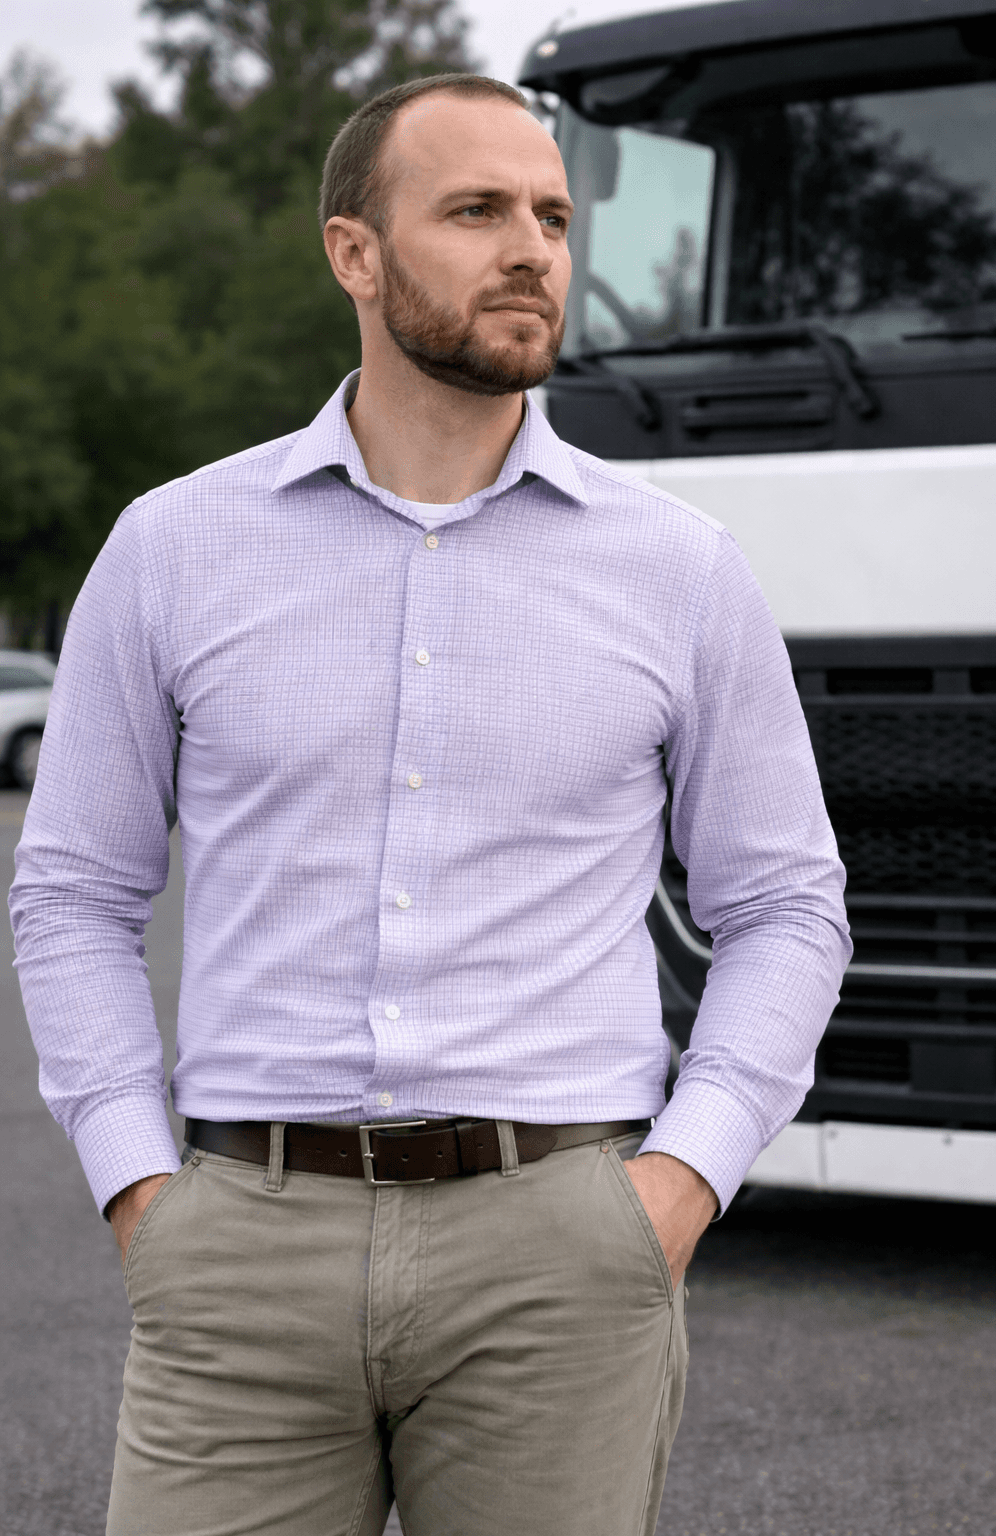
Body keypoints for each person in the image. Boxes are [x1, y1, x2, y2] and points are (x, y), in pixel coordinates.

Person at [10, 73, 850, 1536]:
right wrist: (141, 1189)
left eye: (551, 217)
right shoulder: (174, 548)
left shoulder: (680, 568)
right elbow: (75, 888)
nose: (532, 248)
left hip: (566, 1247)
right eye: (476, 211)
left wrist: (678, 1184)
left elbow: (784, 904)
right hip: (240, 1247)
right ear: (355, 252)